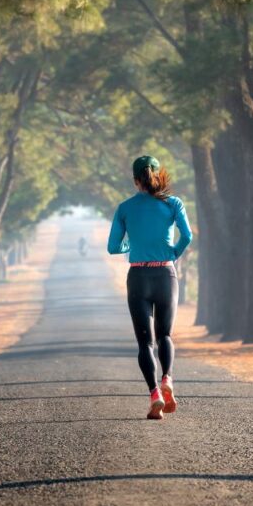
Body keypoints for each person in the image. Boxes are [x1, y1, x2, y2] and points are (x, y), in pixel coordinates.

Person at [107, 155, 192, 420]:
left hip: (138, 276)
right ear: (158, 175)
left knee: (145, 342)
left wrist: (133, 245)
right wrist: (172, 254)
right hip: (165, 273)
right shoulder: (173, 203)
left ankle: (154, 393)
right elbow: (187, 236)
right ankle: (167, 377)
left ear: (136, 181)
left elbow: (113, 247)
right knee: (165, 335)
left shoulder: (124, 208)